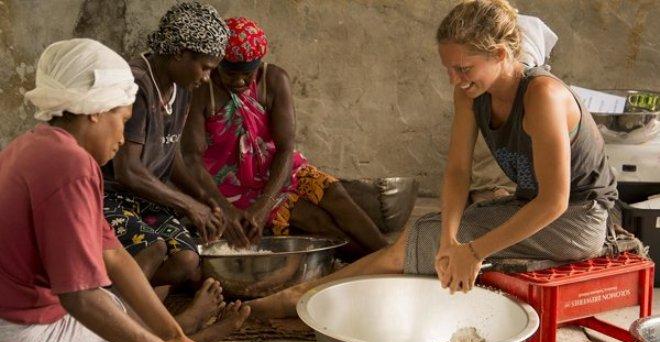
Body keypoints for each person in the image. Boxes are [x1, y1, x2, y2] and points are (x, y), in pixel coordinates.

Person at [247, 0, 617, 320]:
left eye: (464, 68)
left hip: (578, 220)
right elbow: (457, 173)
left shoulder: (542, 96)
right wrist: (449, 240)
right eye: (449, 69)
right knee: (427, 233)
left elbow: (555, 201)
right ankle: (326, 298)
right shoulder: (471, 94)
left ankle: (303, 297)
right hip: (532, 205)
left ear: (502, 55)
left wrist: (473, 252)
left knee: (416, 242)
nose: (455, 79)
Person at [0, 38, 244, 342]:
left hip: (11, 321)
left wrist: (172, 333)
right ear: (95, 110)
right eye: (123, 120)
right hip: (15, 339)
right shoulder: (72, 165)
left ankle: (179, 336)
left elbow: (114, 255)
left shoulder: (33, 145)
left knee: (119, 308)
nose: (122, 137)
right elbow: (79, 296)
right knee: (111, 314)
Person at [181, 17, 388, 259]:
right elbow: (192, 158)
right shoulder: (202, 90)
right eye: (230, 73)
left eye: (247, 75)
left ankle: (390, 253)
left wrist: (264, 205)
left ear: (259, 64)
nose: (239, 82)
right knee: (314, 220)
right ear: (217, 64)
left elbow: (285, 147)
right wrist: (226, 210)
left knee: (335, 193)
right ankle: (371, 263)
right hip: (231, 187)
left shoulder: (274, 80)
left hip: (281, 169)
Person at [103, 2, 229, 290]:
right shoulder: (137, 86)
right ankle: (113, 312)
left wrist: (204, 199)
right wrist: (188, 205)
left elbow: (168, 156)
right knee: (153, 248)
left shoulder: (180, 87)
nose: (207, 77)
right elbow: (128, 172)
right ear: (180, 53)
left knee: (186, 259)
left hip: (143, 198)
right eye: (205, 67)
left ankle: (119, 294)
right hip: (107, 196)